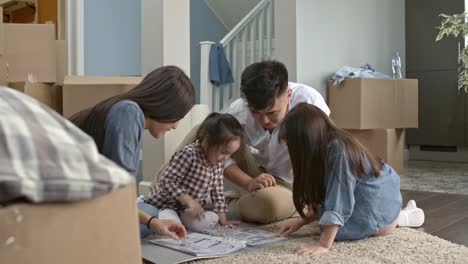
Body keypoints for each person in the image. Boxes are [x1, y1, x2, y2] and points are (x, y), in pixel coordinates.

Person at [277, 103, 425, 256]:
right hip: (368, 193)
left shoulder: (339, 150)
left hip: (378, 201)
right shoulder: (324, 147)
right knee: (330, 224)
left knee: (344, 230)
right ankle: (398, 216)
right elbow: (325, 192)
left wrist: (324, 244)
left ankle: (399, 218)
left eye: (291, 147)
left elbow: (339, 199)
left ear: (305, 142)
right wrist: (302, 221)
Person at [70, 66, 195, 239]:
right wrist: (151, 221)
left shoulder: (125, 110)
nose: (176, 125)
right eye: (178, 116)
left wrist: (150, 220)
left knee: (149, 212)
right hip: (70, 207)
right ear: (167, 106)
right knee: (149, 213)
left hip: (79, 199)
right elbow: (118, 195)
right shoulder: (128, 114)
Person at [224, 60, 331, 224]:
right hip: (254, 170)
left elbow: (320, 157)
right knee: (206, 131)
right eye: (255, 112)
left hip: (290, 184)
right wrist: (249, 182)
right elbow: (222, 156)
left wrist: (314, 202)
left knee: (269, 206)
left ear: (288, 95)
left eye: (272, 112)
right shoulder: (238, 110)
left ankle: (224, 207)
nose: (264, 120)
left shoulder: (309, 102)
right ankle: (174, 194)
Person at [142, 113, 243, 232]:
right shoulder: (188, 154)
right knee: (171, 225)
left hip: (186, 210)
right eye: (223, 152)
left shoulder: (218, 164)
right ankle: (164, 218)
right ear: (207, 141)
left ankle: (182, 221)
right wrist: (189, 200)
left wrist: (223, 221)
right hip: (166, 205)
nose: (225, 158)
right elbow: (166, 181)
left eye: (230, 154)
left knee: (211, 219)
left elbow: (218, 194)